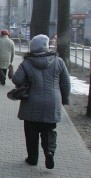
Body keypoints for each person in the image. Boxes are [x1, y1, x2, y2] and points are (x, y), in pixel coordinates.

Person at [10, 34, 71, 169]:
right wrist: (65, 99)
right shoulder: (58, 61)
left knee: (31, 131)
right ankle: (49, 152)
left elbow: (17, 80)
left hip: (32, 102)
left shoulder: (27, 63)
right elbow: (65, 83)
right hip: (52, 102)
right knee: (49, 130)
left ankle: (32, 158)